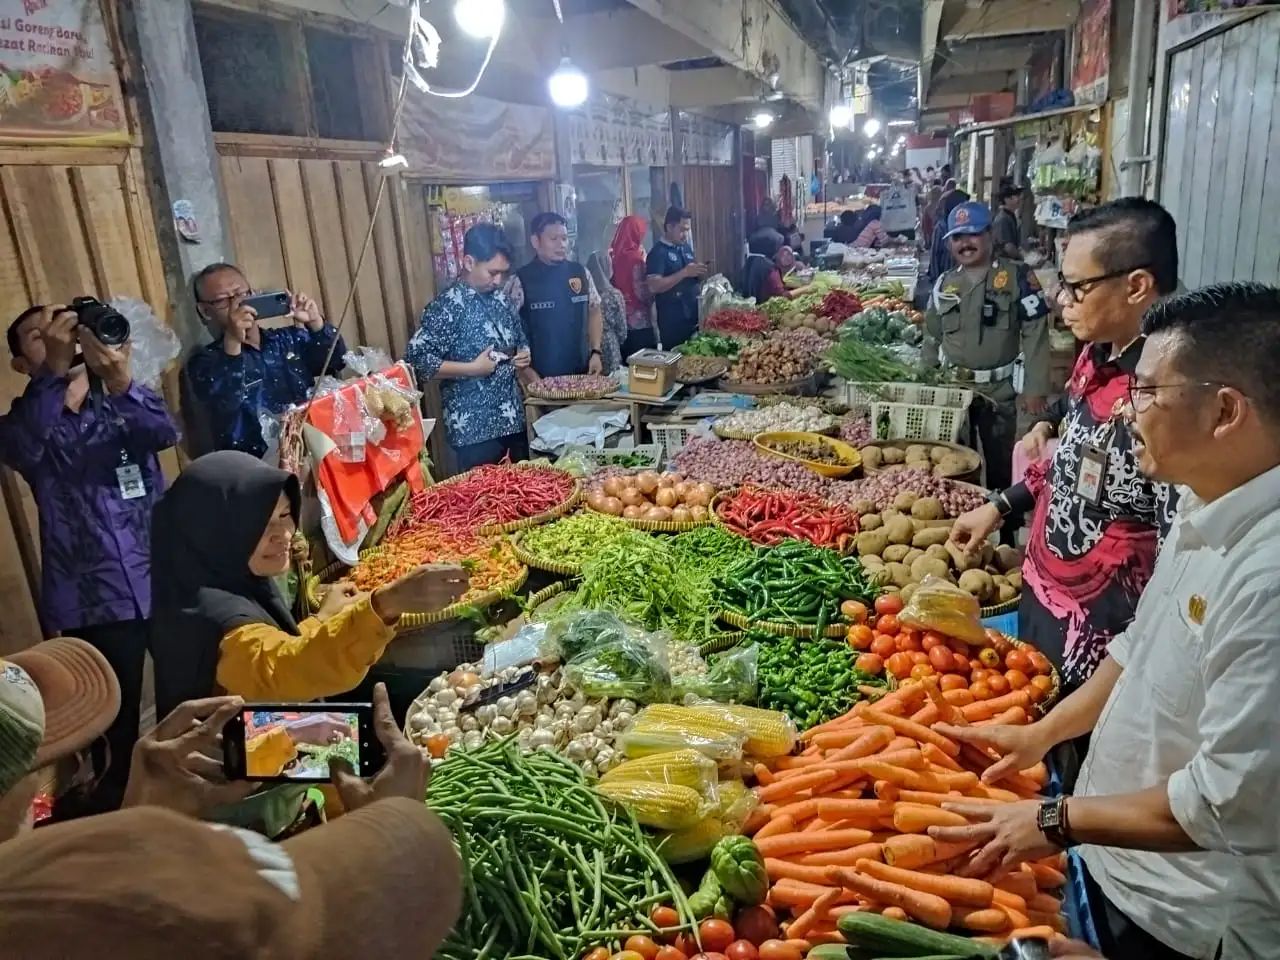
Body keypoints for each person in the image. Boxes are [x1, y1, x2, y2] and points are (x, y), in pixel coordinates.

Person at [930, 282, 1280, 960]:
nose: (1125, 411)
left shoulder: (1267, 581)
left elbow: (1223, 803)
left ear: (1225, 411)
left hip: (1187, 918)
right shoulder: (1203, 501)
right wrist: (1042, 735)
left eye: (1146, 393)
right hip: (1111, 866)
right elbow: (1138, 647)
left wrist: (1057, 819)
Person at [0, 676, 462, 960]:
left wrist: (142, 815)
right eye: (41, 760)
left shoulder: (42, 887)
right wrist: (392, 816)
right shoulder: (61, 916)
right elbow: (377, 902)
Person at [949, 199, 1181, 716]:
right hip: (1048, 603)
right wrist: (1001, 505)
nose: (1061, 299)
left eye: (1078, 287)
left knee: (1070, 754)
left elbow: (1179, 552)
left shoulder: (1168, 392)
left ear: (1137, 285)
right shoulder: (1100, 350)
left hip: (1106, 638)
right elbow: (1077, 454)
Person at [0, 303, 179, 816]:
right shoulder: (26, 421)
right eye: (38, 336)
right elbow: (20, 449)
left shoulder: (120, 400)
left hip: (161, 576)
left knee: (186, 695)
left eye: (63, 329)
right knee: (112, 726)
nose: (58, 338)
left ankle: (182, 799)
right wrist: (54, 374)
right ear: (20, 363)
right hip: (91, 599)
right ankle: (115, 815)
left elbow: (164, 434)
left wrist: (119, 377)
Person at [148, 450, 469, 719]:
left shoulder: (220, 582)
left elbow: (273, 655)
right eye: (260, 524)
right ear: (212, 534)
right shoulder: (216, 619)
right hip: (237, 787)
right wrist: (386, 604)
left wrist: (323, 618)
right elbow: (285, 669)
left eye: (286, 515)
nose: (283, 534)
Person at [922, 201, 1051, 494]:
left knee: (1001, 466)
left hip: (999, 392)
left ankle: (1005, 527)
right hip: (954, 389)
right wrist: (926, 381)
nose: (965, 243)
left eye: (973, 234)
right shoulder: (944, 283)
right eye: (957, 237)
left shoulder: (1018, 277)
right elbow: (931, 336)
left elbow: (1036, 332)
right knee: (955, 464)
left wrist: (1035, 387)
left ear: (990, 236)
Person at [406, 223, 533, 470]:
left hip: (513, 420)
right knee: (484, 502)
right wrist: (472, 368)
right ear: (468, 262)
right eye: (492, 272)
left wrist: (523, 355)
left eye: (503, 273)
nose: (498, 280)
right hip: (474, 431)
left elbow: (519, 338)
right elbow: (416, 360)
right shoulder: (447, 307)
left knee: (521, 497)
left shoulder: (500, 298)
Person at [186, 263, 344, 459]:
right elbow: (225, 402)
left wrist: (316, 323)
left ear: (254, 294)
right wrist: (233, 341)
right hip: (258, 470)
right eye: (222, 301)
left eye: (241, 294)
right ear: (205, 311)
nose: (237, 304)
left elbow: (336, 361)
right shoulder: (204, 363)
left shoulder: (287, 340)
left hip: (314, 450)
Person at [509, 212, 604, 378]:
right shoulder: (520, 280)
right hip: (539, 379)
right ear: (536, 241)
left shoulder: (581, 273)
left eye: (565, 238)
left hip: (581, 375)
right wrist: (524, 370)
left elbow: (594, 311)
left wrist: (596, 352)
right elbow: (506, 331)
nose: (561, 244)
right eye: (553, 239)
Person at [646, 207, 707, 349]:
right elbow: (654, 286)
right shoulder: (658, 253)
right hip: (673, 322)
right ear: (669, 227)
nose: (685, 235)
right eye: (682, 230)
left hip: (693, 316)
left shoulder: (685, 247)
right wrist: (684, 273)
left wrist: (698, 272)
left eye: (687, 230)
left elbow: (690, 274)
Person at [608, 215, 657, 358]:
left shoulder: (613, 256)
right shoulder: (636, 259)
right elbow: (641, 292)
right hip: (640, 324)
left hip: (622, 321)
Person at [585, 252, 627, 374]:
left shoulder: (585, 292)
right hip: (610, 346)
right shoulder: (614, 294)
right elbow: (622, 330)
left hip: (589, 346)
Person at [927, 188, 969, 285]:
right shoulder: (942, 226)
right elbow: (935, 255)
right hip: (946, 279)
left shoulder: (967, 226)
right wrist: (937, 282)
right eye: (964, 205)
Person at [739, 230, 787, 303]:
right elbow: (780, 294)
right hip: (766, 309)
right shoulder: (770, 268)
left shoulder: (750, 261)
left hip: (749, 308)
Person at [993, 183, 1025, 260]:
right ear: (1006, 199)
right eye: (1016, 196)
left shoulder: (1010, 216)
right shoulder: (1003, 219)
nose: (1019, 199)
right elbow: (1009, 248)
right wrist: (1023, 259)